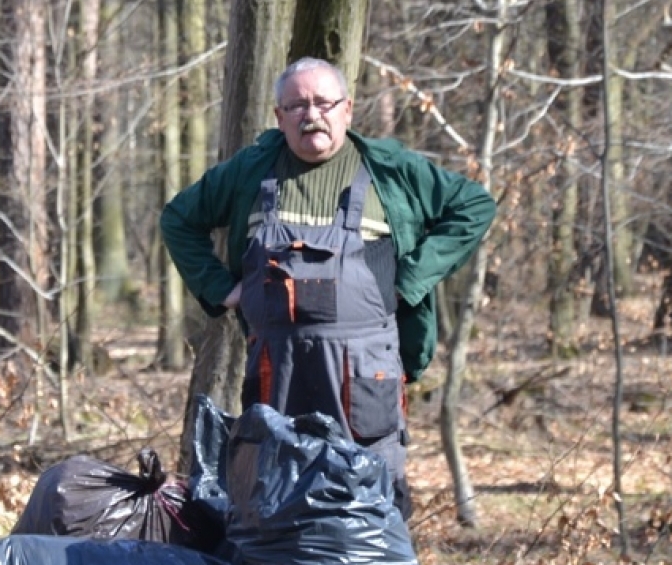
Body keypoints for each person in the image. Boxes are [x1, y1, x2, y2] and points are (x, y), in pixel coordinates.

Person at [161, 57, 496, 517]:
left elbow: (474, 206)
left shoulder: (391, 171)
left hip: (364, 384)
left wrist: (413, 279)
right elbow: (178, 219)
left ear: (348, 109)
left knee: (370, 513)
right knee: (273, 510)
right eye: (296, 105)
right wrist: (221, 288)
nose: (311, 114)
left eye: (323, 102)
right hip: (276, 378)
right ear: (279, 117)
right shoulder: (251, 172)